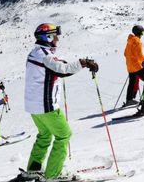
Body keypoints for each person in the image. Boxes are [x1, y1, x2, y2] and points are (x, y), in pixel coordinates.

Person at [24, 23, 98, 180]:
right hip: (47, 107)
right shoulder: (44, 55)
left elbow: (57, 66)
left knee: (45, 135)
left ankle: (33, 169)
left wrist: (74, 64)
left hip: (34, 106)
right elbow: (61, 69)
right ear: (47, 37)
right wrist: (83, 63)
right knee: (64, 135)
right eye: (54, 35)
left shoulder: (37, 52)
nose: (57, 38)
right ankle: (53, 174)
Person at [123, 25, 144, 107]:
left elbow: (125, 53)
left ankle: (129, 100)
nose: (142, 34)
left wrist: (131, 58)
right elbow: (140, 57)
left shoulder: (129, 40)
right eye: (142, 32)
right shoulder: (137, 41)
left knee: (131, 82)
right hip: (136, 66)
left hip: (129, 66)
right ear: (140, 33)